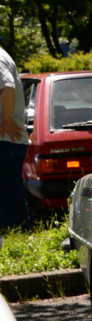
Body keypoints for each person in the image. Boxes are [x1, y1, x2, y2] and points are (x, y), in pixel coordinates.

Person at [0, 46, 31, 229]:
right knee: (9, 194)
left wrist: (6, 120)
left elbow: (8, 88)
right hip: (7, 140)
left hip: (5, 139)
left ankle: (16, 237)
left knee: (8, 196)